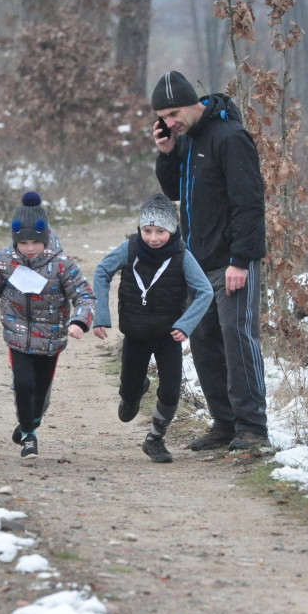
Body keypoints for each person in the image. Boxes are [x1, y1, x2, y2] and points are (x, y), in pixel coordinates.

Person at [151, 70, 270, 451]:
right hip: (198, 265)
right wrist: (167, 153)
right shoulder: (186, 140)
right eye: (163, 118)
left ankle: (252, 429)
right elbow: (175, 192)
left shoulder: (230, 138)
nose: (169, 123)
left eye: (173, 114)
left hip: (233, 262)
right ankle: (224, 424)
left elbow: (249, 203)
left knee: (238, 341)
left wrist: (241, 259)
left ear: (192, 102)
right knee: (203, 342)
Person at [0, 191, 96, 459]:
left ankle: (31, 420)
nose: (30, 248)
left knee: (40, 393)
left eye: (35, 241)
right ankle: (28, 436)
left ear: (45, 237)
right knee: (23, 384)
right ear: (15, 240)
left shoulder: (62, 264)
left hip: (51, 339)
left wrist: (80, 320)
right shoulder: (3, 261)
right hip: (18, 334)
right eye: (23, 242)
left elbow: (84, 295)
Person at [92, 194, 213, 462]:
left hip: (169, 335)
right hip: (135, 335)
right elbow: (101, 272)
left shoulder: (182, 255)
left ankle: (155, 439)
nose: (154, 238)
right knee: (128, 400)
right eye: (147, 231)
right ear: (140, 229)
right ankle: (134, 392)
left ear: (172, 230)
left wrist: (186, 324)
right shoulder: (130, 249)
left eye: (161, 231)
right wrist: (101, 315)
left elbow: (204, 290)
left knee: (170, 392)